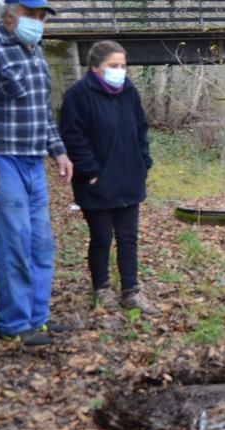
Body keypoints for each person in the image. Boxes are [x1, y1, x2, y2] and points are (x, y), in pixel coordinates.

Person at [0, 0, 74, 347]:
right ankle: (14, 324)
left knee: (41, 244)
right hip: (0, 160)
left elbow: (42, 113)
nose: (37, 22)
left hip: (33, 161)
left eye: (41, 17)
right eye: (31, 14)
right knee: (14, 242)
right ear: (10, 14)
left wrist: (59, 151)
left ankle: (39, 319)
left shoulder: (35, 54)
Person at [58, 40, 157, 315]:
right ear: (95, 68)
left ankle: (130, 290)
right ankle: (101, 288)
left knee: (128, 237)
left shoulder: (129, 91)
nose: (120, 71)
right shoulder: (79, 94)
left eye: (123, 66)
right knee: (101, 237)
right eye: (113, 66)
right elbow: (73, 136)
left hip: (128, 178)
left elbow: (141, 130)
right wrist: (89, 172)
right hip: (96, 182)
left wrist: (143, 163)